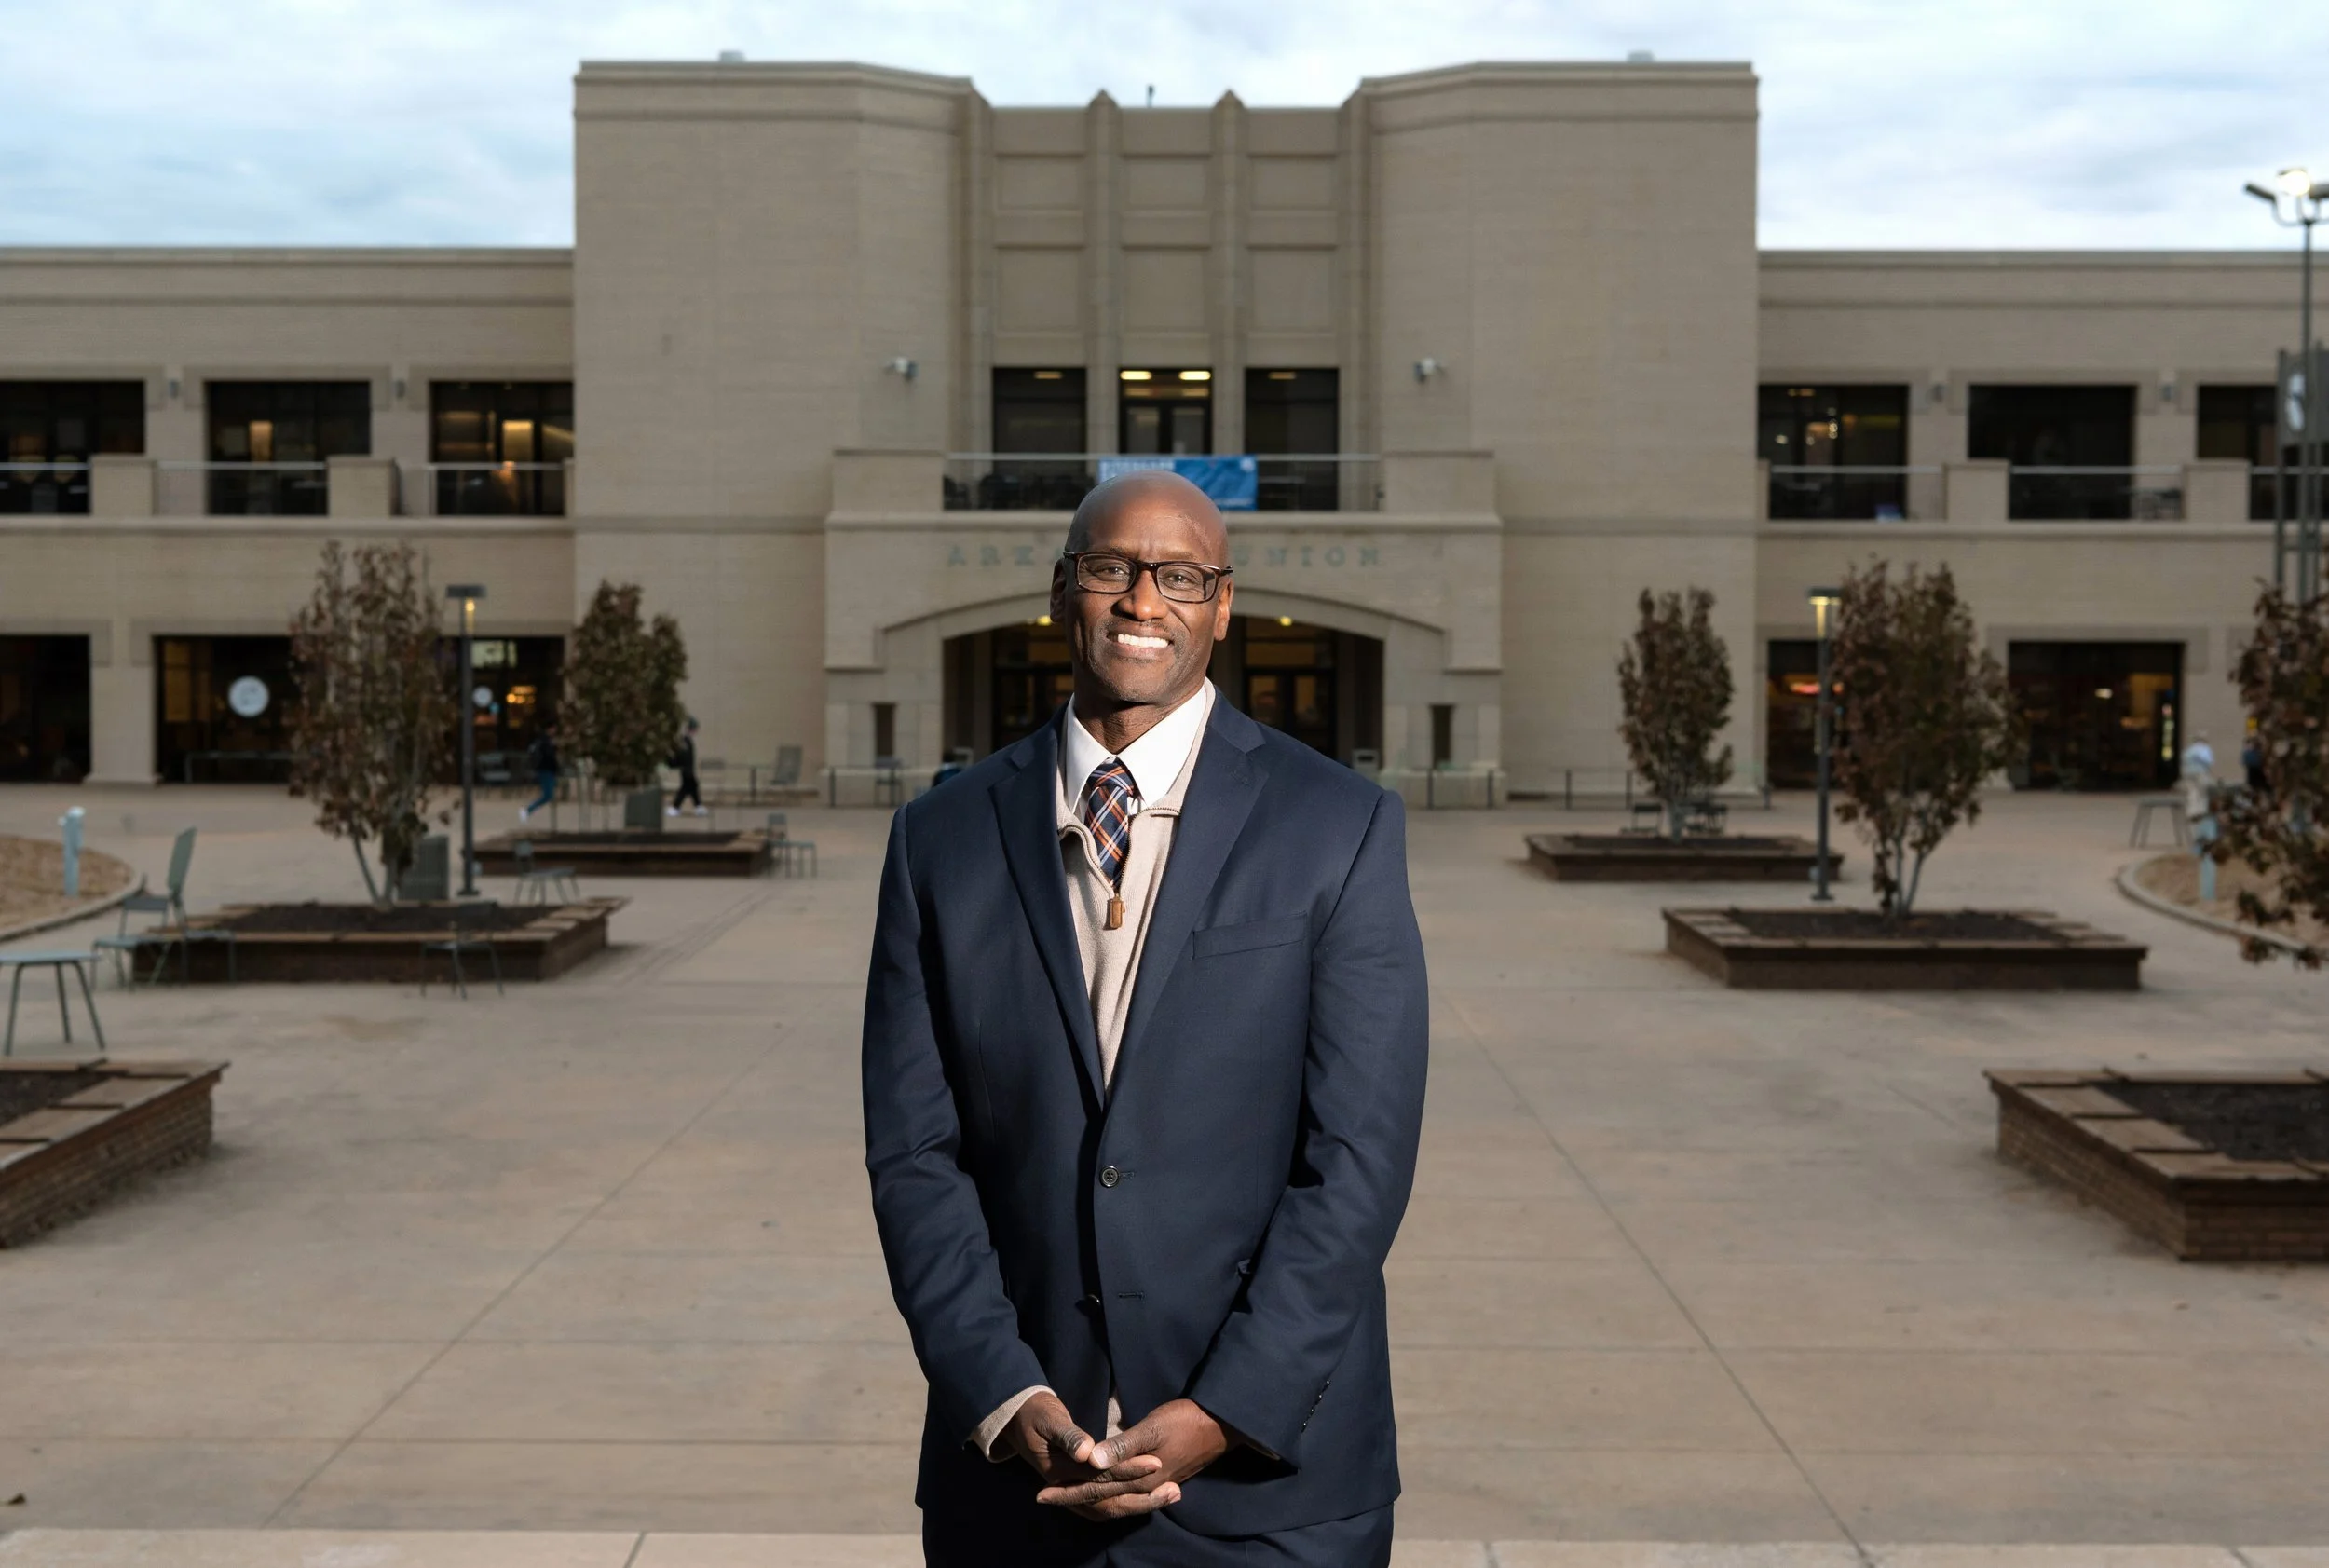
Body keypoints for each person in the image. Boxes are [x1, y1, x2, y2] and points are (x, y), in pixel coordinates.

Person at [863, 471, 1427, 1567]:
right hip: (1015, 1488)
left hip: (1272, 1493)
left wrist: (1223, 1410)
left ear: (1222, 605)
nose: (1141, 603)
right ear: (1063, 591)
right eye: (1111, 570)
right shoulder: (939, 841)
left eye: (1180, 577)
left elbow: (1358, 1160)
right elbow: (914, 1156)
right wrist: (1002, 1390)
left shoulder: (1341, 827)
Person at [519, 722, 560, 824]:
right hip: (545, 770)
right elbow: (548, 757)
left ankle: (531, 809)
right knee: (547, 795)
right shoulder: (545, 741)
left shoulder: (545, 741)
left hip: (548, 770)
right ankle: (528, 810)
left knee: (549, 794)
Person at [668, 716, 705, 817]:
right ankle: (675, 807)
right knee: (686, 789)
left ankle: (698, 806)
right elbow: (683, 757)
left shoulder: (687, 741)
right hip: (686, 770)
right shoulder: (685, 741)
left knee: (692, 788)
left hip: (688, 770)